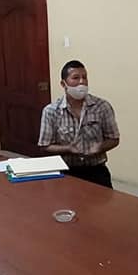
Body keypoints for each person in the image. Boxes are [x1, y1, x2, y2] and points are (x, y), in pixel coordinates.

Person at [37, 60, 120, 188]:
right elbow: (44, 145)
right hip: (66, 171)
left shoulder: (102, 107)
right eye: (76, 78)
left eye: (84, 77)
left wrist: (99, 147)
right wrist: (68, 149)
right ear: (63, 84)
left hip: (96, 170)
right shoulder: (51, 111)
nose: (82, 82)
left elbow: (114, 139)